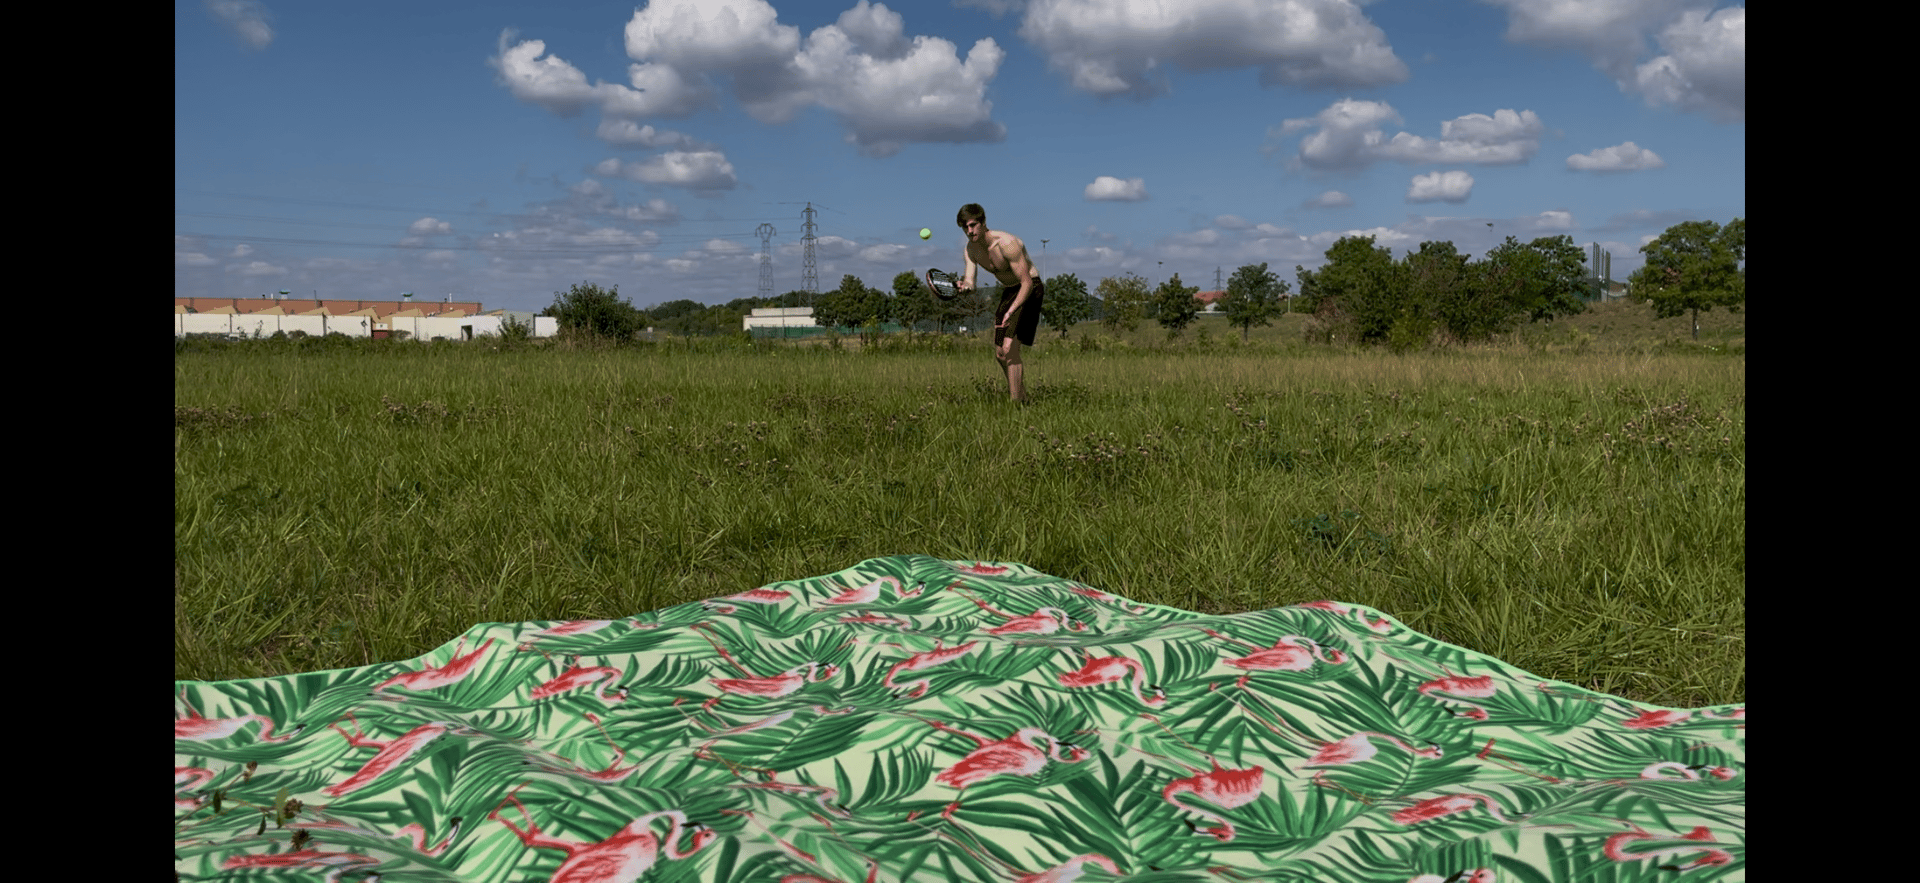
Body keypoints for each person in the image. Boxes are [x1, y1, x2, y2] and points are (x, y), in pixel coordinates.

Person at [955, 203, 1045, 403]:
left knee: (1010, 349)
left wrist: (1011, 310)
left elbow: (1027, 282)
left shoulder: (1007, 243)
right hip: (1010, 291)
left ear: (983, 222)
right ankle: (1023, 399)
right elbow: (971, 281)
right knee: (1000, 354)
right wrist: (965, 286)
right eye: (965, 228)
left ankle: (1015, 406)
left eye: (973, 225)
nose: (969, 231)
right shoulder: (971, 250)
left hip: (1029, 289)